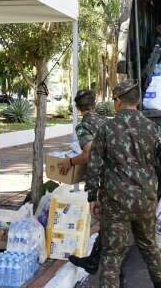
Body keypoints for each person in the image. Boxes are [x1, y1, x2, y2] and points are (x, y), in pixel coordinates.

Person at [87, 80, 161, 288]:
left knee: (112, 253)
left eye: (114, 100)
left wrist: (92, 196)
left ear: (119, 101)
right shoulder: (154, 129)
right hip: (145, 199)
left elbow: (94, 165)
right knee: (149, 245)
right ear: (137, 102)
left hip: (115, 201)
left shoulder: (106, 129)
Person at [57, 90, 111, 276]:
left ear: (78, 108)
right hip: (117, 176)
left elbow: (89, 153)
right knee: (110, 224)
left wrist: (70, 162)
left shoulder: (84, 126)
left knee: (109, 223)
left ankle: (102, 265)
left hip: (103, 179)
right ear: (94, 105)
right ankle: (94, 260)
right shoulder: (106, 122)